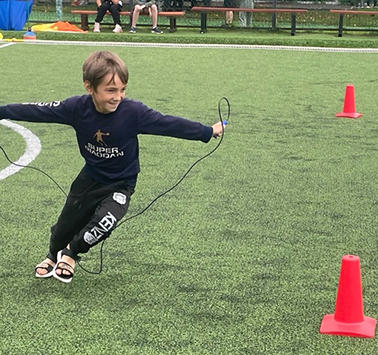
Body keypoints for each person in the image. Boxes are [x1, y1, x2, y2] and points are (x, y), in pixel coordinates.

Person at [0, 51, 225, 283]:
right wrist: (3, 111)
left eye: (122, 89)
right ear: (89, 87)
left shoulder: (133, 113)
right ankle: (53, 254)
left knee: (103, 224)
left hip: (121, 184)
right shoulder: (76, 108)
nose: (118, 96)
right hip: (89, 178)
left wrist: (207, 131)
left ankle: (71, 253)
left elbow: (169, 124)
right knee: (63, 229)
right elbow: (38, 110)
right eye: (110, 90)